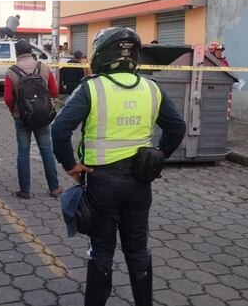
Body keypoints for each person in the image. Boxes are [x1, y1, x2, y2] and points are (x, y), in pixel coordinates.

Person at [51, 27, 187, 306]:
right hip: (139, 182)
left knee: (102, 251)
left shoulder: (92, 87)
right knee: (137, 250)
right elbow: (177, 127)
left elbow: (60, 129)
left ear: (101, 54)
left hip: (101, 183)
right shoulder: (152, 87)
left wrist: (70, 165)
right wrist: (158, 158)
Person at [4, 40, 62, 200]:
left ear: (16, 53)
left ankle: (25, 190)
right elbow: (55, 92)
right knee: (46, 150)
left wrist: (14, 111)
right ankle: (54, 188)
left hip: (21, 118)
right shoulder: (44, 67)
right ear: (31, 51)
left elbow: (8, 98)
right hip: (43, 116)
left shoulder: (11, 72)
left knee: (23, 152)